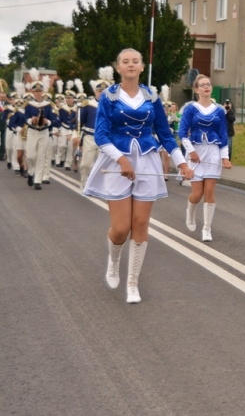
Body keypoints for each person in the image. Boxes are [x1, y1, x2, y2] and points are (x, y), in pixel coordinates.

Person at [83, 49, 194, 304]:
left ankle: (132, 282)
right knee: (121, 228)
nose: (131, 65)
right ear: (118, 68)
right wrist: (121, 159)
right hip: (116, 160)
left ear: (142, 67)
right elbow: (101, 135)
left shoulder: (151, 96)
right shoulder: (108, 97)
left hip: (147, 161)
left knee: (141, 224)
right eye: (125, 61)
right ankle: (114, 260)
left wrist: (182, 163)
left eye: (135, 61)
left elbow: (165, 134)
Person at [180, 75, 232, 242]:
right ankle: (190, 212)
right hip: (195, 151)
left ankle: (207, 228)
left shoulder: (219, 110)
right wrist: (191, 152)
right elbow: (182, 133)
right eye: (202, 85)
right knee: (197, 193)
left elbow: (223, 134)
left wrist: (225, 157)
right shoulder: (190, 109)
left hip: (213, 152)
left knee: (209, 192)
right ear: (196, 89)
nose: (206, 87)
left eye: (208, 84)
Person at [24, 77, 57, 190]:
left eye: (40, 91)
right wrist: (31, 120)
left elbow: (53, 119)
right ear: (32, 92)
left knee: (41, 156)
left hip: (43, 132)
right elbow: (25, 117)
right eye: (36, 91)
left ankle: (38, 180)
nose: (38, 93)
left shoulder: (48, 104)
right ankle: (30, 172)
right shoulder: (29, 104)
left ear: (43, 92)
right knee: (31, 156)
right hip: (32, 131)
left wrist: (46, 121)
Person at [77, 75, 108, 190]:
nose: (101, 93)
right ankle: (84, 182)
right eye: (99, 91)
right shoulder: (88, 104)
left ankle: (100, 185)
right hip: (89, 136)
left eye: (104, 91)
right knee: (86, 164)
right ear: (95, 91)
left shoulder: (112, 106)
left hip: (105, 138)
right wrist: (78, 136)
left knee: (104, 164)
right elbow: (81, 122)